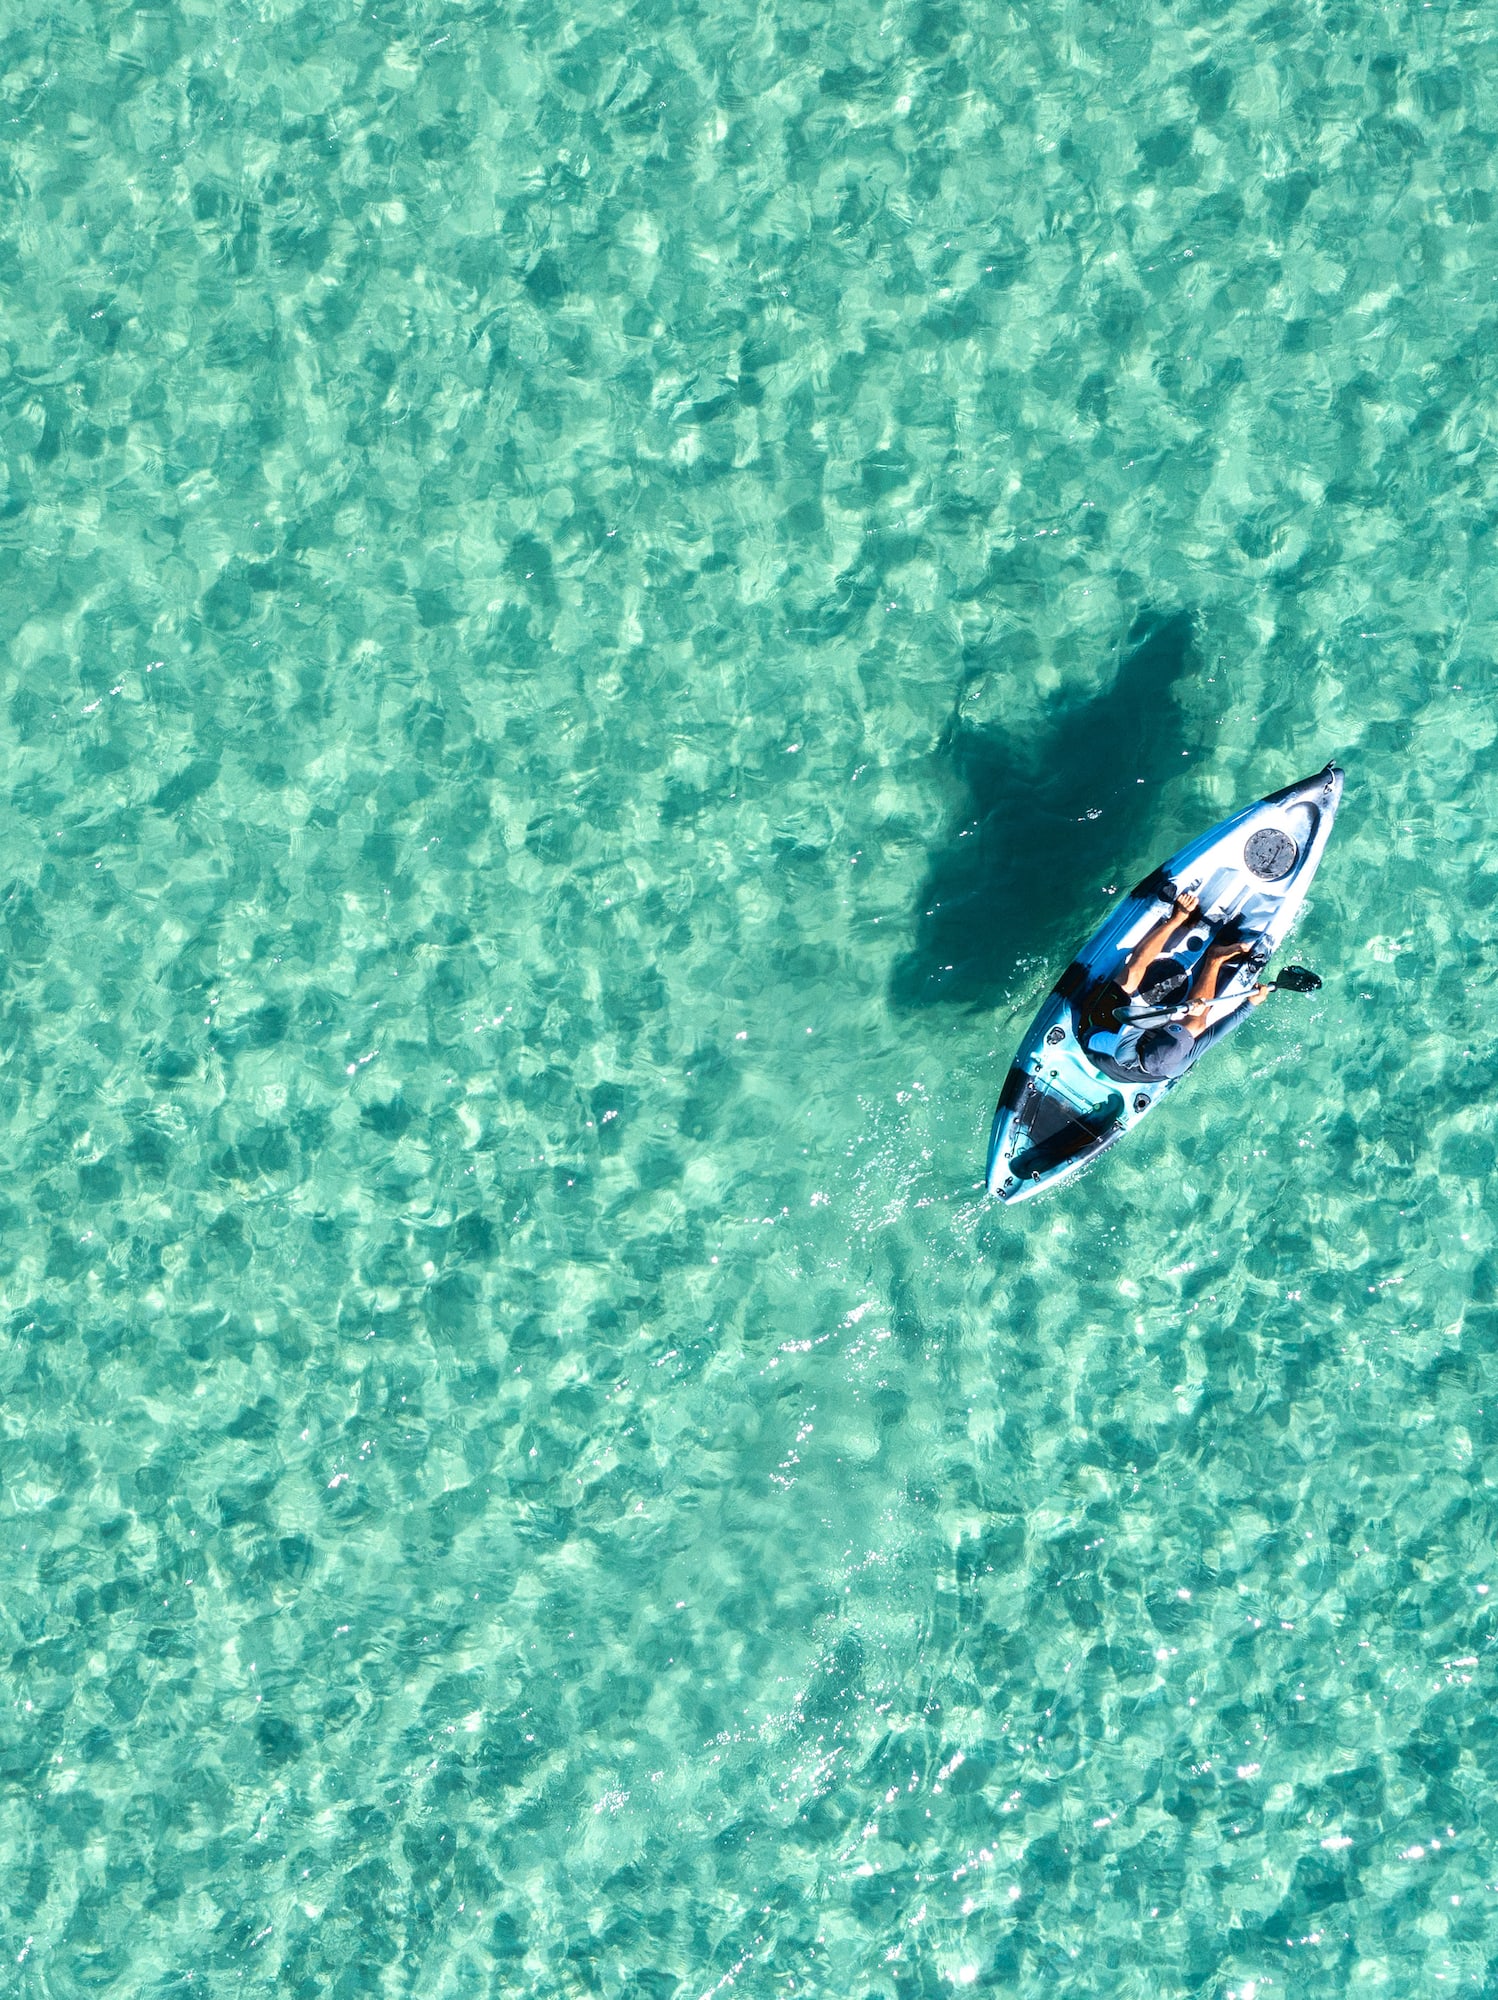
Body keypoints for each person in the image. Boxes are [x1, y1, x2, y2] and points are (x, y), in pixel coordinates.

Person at [1077, 889, 1273, 1082]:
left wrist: (1171, 1013)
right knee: (1198, 1022)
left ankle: (1177, 919)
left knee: (1129, 978)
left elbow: (1139, 1016)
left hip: (1100, 1030)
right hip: (1145, 1047)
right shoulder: (1179, 1065)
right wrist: (1252, 1003)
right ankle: (1215, 958)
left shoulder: (1123, 1048)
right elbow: (1218, 1031)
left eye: (1175, 1031)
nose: (1182, 1033)